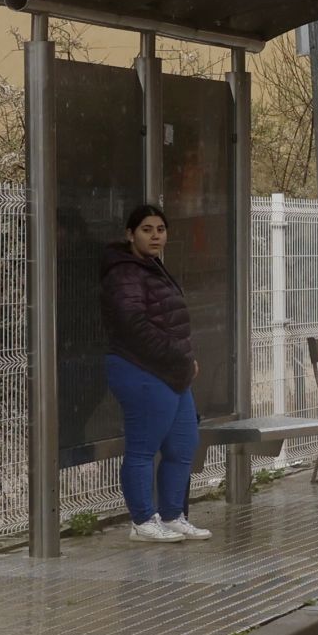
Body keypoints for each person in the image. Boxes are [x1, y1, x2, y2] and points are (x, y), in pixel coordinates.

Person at [100, 204, 211, 543]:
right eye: (146, 229)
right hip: (141, 369)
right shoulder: (124, 272)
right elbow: (135, 326)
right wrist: (178, 357)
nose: (155, 235)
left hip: (170, 370)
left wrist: (183, 358)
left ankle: (172, 515)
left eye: (160, 229)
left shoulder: (151, 267)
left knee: (183, 444)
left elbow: (171, 323)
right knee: (143, 447)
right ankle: (143, 521)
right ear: (129, 234)